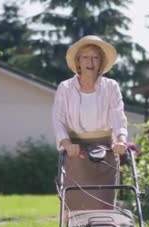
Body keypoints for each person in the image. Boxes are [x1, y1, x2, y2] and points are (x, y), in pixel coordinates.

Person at [52, 35, 128, 211]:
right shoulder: (65, 88)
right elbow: (58, 119)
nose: (90, 62)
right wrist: (67, 144)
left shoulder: (111, 87)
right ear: (78, 61)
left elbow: (118, 115)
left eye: (95, 57)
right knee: (77, 206)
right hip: (76, 151)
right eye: (85, 57)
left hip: (106, 151)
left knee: (104, 206)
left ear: (101, 62)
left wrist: (121, 140)